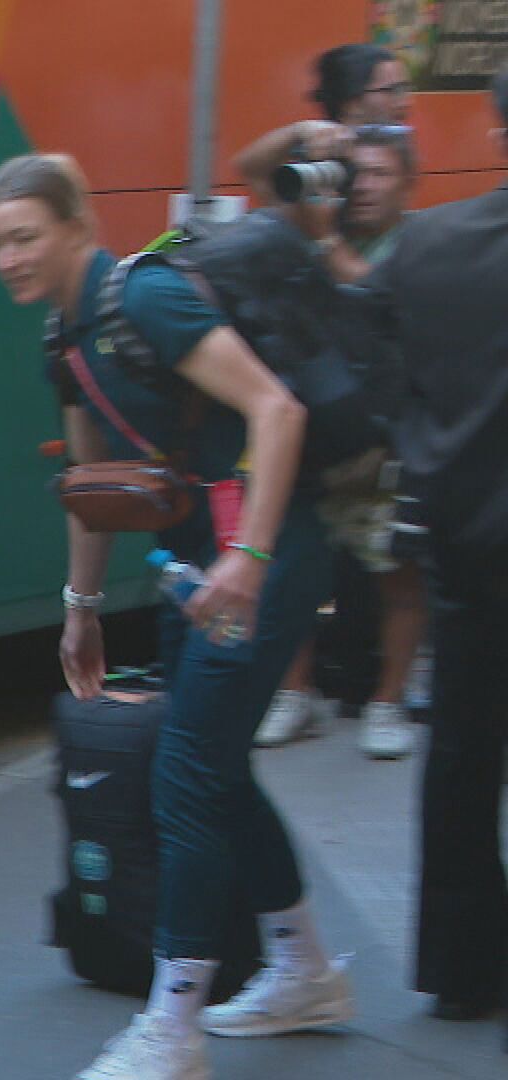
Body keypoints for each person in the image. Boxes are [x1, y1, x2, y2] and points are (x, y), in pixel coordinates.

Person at [0, 154, 354, 1079]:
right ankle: (304, 968)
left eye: (26, 237)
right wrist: (81, 610)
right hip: (198, 565)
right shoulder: (65, 342)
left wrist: (250, 559)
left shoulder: (143, 298)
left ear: (77, 226)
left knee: (185, 773)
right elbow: (93, 487)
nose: (10, 259)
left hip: (263, 555)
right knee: (213, 770)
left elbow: (277, 409)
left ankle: (173, 1025)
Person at [306, 63, 508, 1028]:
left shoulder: (432, 243)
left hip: (471, 544)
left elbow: (365, 340)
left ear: (499, 136)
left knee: (465, 755)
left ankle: (465, 969)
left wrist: (424, 437)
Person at [255, 125, 428, 759]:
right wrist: (299, 141)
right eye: (356, 174)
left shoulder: (419, 245)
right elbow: (253, 168)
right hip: (309, 435)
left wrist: (323, 238)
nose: (365, 187)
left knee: (400, 577)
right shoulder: (310, 229)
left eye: (381, 174)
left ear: (408, 183)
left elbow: (379, 299)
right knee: (287, 569)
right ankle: (293, 693)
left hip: (386, 441)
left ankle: (387, 701)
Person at [233, 43, 413, 203]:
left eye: (379, 173)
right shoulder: (314, 172)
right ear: (352, 103)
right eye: (393, 91)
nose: (405, 102)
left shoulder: (399, 153)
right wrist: (299, 130)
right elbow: (251, 168)